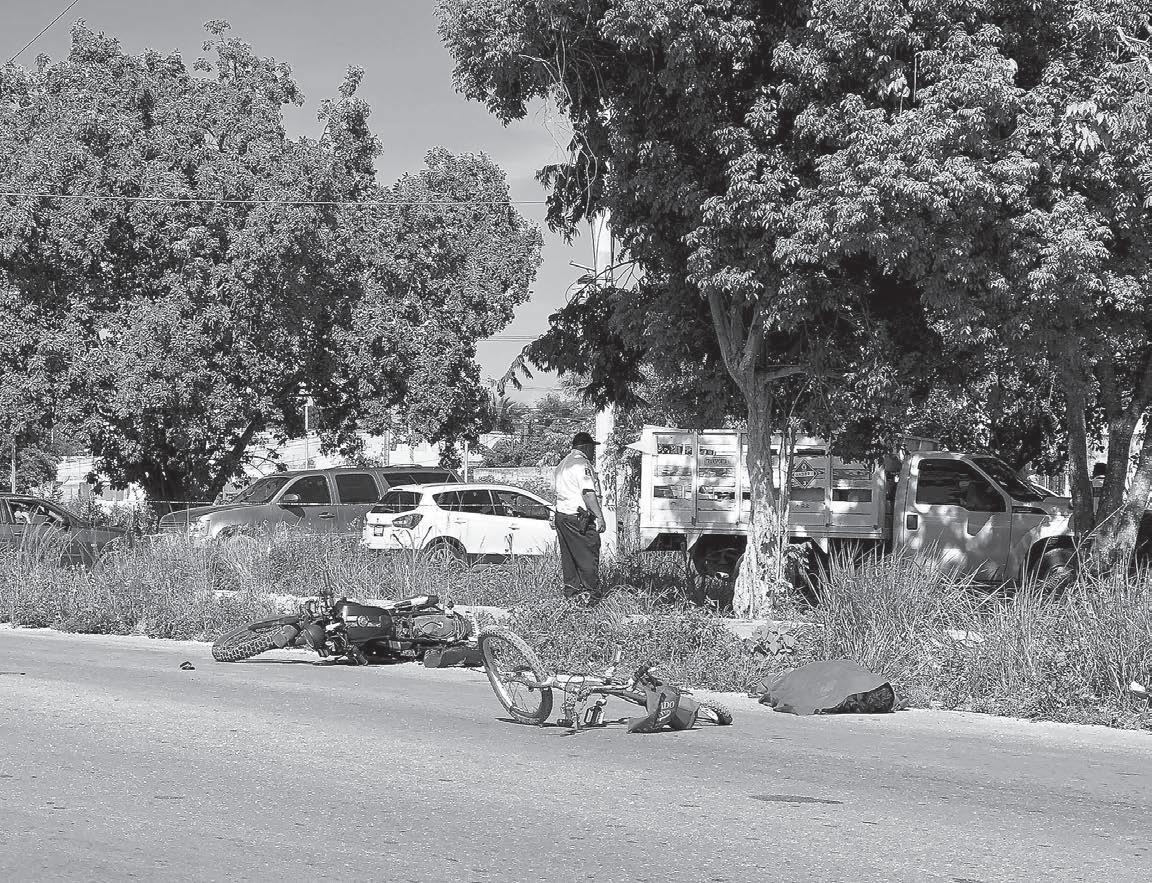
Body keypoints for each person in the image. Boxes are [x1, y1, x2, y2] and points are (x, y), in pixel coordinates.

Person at [553, 431, 607, 606]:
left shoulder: (562, 464)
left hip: (562, 516)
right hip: (578, 518)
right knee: (588, 554)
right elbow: (588, 493)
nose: (593, 452)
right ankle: (592, 597)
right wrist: (599, 517)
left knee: (569, 558)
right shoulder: (582, 464)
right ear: (586, 447)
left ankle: (572, 596)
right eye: (592, 448)